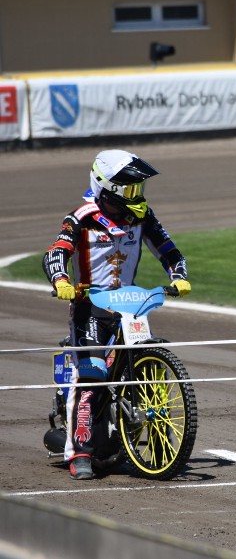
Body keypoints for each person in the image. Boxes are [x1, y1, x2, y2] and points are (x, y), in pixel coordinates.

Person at [43, 149, 191, 480]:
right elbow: (55, 254)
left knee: (150, 373)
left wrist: (178, 276)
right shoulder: (82, 216)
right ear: (107, 187)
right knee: (93, 377)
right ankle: (80, 452)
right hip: (91, 307)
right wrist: (62, 281)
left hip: (132, 305)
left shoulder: (143, 216)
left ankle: (160, 444)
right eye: (129, 189)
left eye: (137, 188)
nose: (136, 195)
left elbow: (169, 250)